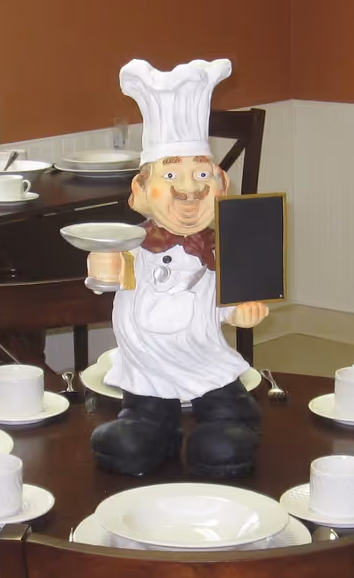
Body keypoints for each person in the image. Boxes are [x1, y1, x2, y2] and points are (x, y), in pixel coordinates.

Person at [85, 59, 269, 478]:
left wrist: (239, 311)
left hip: (206, 364)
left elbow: (232, 296)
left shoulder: (225, 247)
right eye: (171, 175)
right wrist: (102, 265)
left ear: (220, 185)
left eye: (201, 173)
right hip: (147, 370)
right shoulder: (131, 246)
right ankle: (152, 427)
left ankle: (231, 421)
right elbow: (109, 279)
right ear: (141, 192)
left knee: (224, 443)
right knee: (129, 444)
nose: (189, 189)